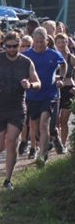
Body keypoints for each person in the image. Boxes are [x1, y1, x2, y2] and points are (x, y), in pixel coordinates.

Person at [0, 31, 41, 190]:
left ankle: (8, 179)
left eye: (15, 46)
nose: (12, 49)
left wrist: (30, 85)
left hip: (17, 107)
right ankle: (7, 148)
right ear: (4, 45)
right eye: (8, 46)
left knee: (12, 140)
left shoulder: (26, 62)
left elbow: (37, 82)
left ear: (19, 45)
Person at [23, 27, 66, 165]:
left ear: (47, 41)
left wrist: (61, 78)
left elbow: (64, 64)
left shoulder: (53, 54)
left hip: (50, 94)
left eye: (42, 41)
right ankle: (47, 143)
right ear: (33, 42)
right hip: (33, 95)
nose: (40, 44)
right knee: (35, 127)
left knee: (44, 124)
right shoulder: (27, 55)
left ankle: (42, 156)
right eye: (37, 41)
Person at [54, 33, 74, 152]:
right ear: (56, 43)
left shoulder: (71, 57)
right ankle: (57, 144)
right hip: (56, 90)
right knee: (55, 121)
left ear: (67, 42)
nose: (62, 44)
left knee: (64, 120)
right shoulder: (52, 56)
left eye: (64, 41)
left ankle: (64, 144)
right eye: (59, 42)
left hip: (68, 89)